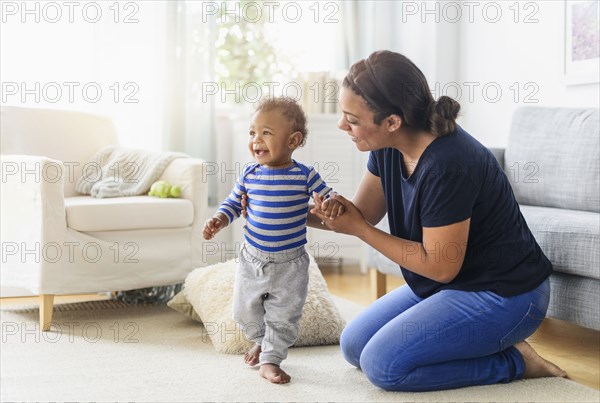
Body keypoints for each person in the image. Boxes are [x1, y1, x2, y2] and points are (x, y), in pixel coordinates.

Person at [306, 50, 567, 391]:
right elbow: (361, 214)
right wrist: (284, 211)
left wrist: (360, 230)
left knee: (383, 368)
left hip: (507, 296)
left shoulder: (450, 164)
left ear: (393, 122)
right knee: (354, 346)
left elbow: (439, 266)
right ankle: (478, 344)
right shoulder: (387, 147)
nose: (343, 126)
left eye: (352, 119)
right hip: (450, 286)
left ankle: (515, 361)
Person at [202, 96, 344, 384]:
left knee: (284, 316)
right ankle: (261, 340)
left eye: (266, 133)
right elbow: (232, 203)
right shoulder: (249, 173)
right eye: (252, 133)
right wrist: (218, 218)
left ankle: (271, 359)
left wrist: (331, 204)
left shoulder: (305, 175)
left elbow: (330, 198)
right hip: (252, 260)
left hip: (290, 264)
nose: (257, 140)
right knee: (243, 311)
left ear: (293, 140)